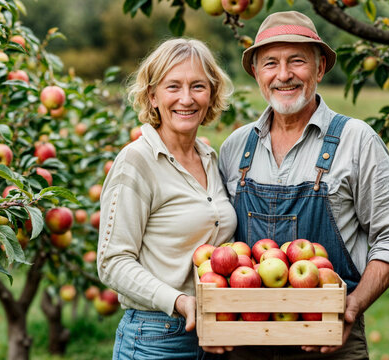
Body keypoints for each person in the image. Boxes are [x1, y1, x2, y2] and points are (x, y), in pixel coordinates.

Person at [218, 11, 389, 359]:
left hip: (333, 338)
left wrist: (352, 307)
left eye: (297, 61)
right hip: (246, 339)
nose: (284, 75)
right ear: (256, 73)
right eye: (270, 63)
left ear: (320, 68)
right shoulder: (236, 147)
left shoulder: (356, 141)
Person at [97, 38, 237, 360]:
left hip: (218, 334)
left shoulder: (211, 159)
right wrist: (179, 301)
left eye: (198, 86)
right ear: (153, 96)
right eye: (173, 86)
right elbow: (112, 262)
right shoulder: (137, 161)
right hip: (156, 337)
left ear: (211, 94)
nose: (186, 99)